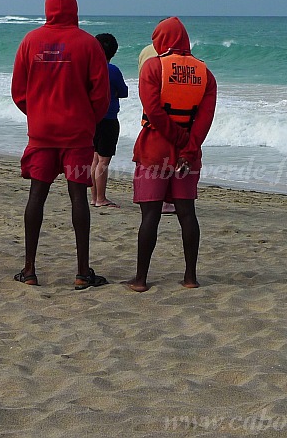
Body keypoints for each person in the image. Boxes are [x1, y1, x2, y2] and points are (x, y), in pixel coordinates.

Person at [11, 0, 111, 288]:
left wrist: (37, 114)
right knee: (78, 195)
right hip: (77, 135)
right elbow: (101, 95)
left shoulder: (30, 41)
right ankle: (82, 272)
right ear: (74, 10)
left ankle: (29, 270)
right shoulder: (88, 44)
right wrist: (86, 121)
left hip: (41, 133)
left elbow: (19, 91)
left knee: (36, 196)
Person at [125, 17, 217, 292]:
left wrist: (176, 139)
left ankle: (141, 279)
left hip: (155, 148)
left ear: (160, 40)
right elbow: (205, 118)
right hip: (189, 153)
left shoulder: (153, 67)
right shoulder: (205, 72)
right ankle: (190, 277)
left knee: (150, 215)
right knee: (187, 213)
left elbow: (153, 110)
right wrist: (188, 148)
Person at [138, 43, 177, 216]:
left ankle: (151, 195)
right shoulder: (173, 56)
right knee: (168, 155)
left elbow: (141, 75)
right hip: (171, 108)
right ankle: (166, 200)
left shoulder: (145, 51)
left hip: (148, 103)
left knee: (151, 156)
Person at [90, 33, 128, 208]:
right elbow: (124, 91)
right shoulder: (112, 70)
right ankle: (101, 198)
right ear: (113, 52)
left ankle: (94, 197)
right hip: (108, 118)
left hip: (91, 118)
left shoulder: (88, 68)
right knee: (103, 161)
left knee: (95, 159)